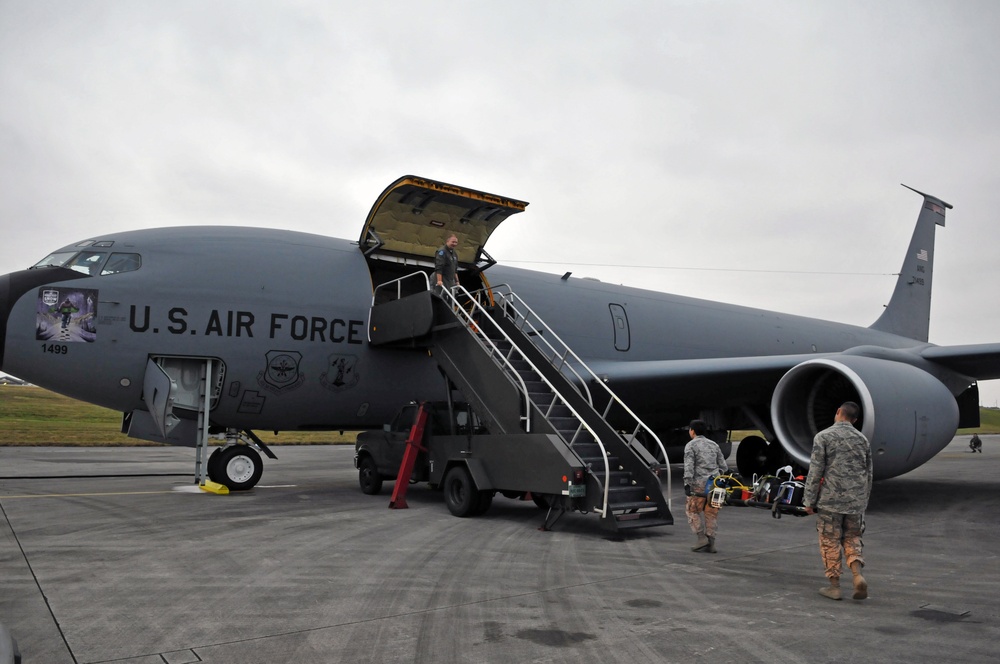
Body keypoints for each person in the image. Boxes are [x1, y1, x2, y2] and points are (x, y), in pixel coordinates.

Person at [803, 401, 873, 601]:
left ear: (838, 412)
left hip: (830, 502)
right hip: (855, 502)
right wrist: (863, 501)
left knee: (830, 541)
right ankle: (857, 575)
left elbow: (815, 471)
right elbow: (868, 473)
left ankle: (834, 586)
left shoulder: (823, 437)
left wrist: (809, 500)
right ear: (855, 420)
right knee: (853, 538)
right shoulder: (862, 440)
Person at [683, 419, 728, 553]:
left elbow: (689, 466)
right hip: (716, 484)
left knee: (692, 511)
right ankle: (711, 543)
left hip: (699, 485)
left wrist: (687, 483)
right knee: (712, 513)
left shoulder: (691, 445)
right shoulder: (714, 445)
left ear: (692, 431)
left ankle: (701, 538)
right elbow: (724, 466)